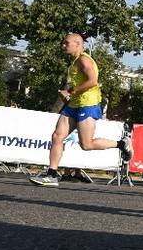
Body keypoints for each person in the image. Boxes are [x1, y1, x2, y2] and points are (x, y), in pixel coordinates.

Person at [30, 33, 132, 186]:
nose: (63, 46)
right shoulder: (75, 62)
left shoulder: (84, 60)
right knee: (57, 136)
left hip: (88, 104)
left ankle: (121, 144)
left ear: (78, 44)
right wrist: (69, 95)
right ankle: (51, 175)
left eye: (66, 43)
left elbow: (92, 81)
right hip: (73, 104)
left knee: (86, 144)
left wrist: (70, 92)